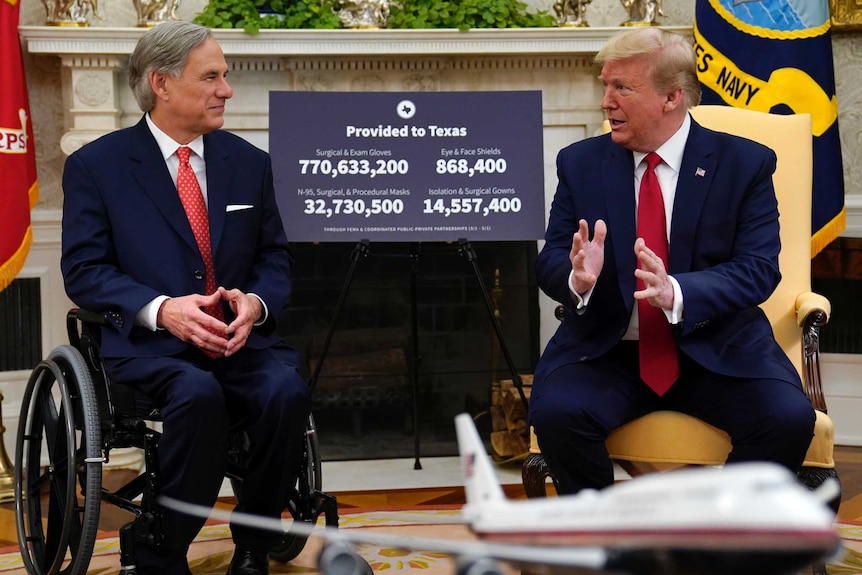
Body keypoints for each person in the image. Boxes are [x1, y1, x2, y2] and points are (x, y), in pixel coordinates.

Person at [60, 20, 309, 575]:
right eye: (212, 76)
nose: (227, 89)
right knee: (196, 396)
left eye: (226, 76)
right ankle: (161, 551)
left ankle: (253, 546)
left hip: (238, 342)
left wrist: (256, 304)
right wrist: (162, 309)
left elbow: (274, 259)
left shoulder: (249, 163)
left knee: (285, 390)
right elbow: (83, 270)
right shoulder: (96, 168)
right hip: (150, 348)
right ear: (162, 83)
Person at [528, 27, 815, 496]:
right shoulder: (580, 163)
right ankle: (606, 546)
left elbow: (759, 268)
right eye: (605, 86)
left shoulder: (745, 164)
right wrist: (578, 280)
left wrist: (678, 292)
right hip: (609, 349)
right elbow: (553, 261)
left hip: (717, 347)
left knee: (785, 418)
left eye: (622, 88)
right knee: (558, 415)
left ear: (672, 97)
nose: (606, 102)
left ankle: (721, 543)